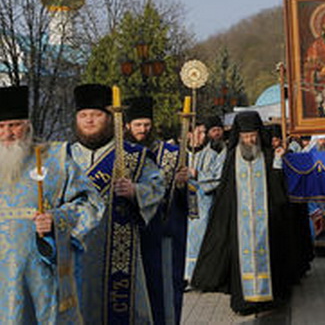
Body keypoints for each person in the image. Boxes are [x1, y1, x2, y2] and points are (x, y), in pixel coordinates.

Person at [0, 86, 103, 323]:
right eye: (1, 127)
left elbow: (91, 203)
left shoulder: (54, 158)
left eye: (14, 124)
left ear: (27, 124)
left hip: (41, 277)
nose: (8, 133)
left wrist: (57, 219)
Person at [191, 111, 306, 315]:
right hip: (240, 224)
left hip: (266, 222)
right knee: (240, 260)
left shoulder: (269, 155)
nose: (250, 140)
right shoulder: (232, 158)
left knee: (270, 257)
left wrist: (278, 163)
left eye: (253, 135)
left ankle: (268, 299)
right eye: (245, 136)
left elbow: (279, 192)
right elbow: (225, 194)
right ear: (239, 136)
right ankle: (244, 302)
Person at [70, 84, 165, 324]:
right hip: (75, 254)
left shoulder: (134, 155)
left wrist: (136, 191)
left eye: (96, 115)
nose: (89, 120)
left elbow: (157, 187)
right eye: (83, 115)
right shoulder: (63, 156)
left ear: (110, 118)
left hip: (120, 253)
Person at [125, 96, 188, 325]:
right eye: (138, 125)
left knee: (164, 288)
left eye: (147, 125)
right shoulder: (120, 156)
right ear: (127, 126)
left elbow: (189, 202)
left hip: (163, 232)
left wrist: (183, 185)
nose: (143, 130)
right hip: (130, 233)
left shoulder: (172, 153)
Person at [184, 119, 224, 282]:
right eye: (198, 132)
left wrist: (197, 174)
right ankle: (183, 274)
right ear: (189, 134)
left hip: (203, 204)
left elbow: (218, 178)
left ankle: (196, 276)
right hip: (182, 203)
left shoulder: (213, 155)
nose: (202, 136)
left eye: (203, 132)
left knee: (199, 238)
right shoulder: (179, 154)